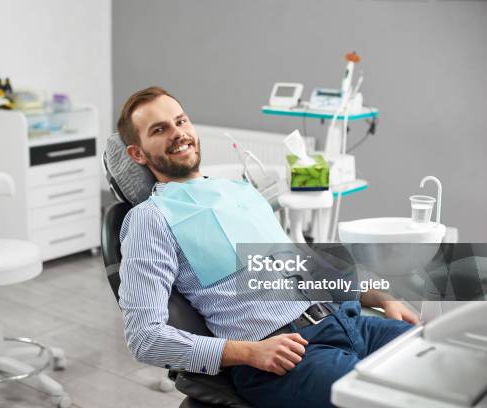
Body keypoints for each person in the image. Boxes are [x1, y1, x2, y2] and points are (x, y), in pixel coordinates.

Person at [116, 86, 418, 408]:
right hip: (284, 356)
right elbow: (144, 338)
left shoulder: (240, 191)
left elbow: (304, 265)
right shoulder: (150, 219)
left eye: (181, 121)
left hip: (346, 321)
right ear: (138, 153)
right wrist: (249, 352)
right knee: (396, 401)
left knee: (448, 364)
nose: (178, 133)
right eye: (160, 130)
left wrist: (383, 298)